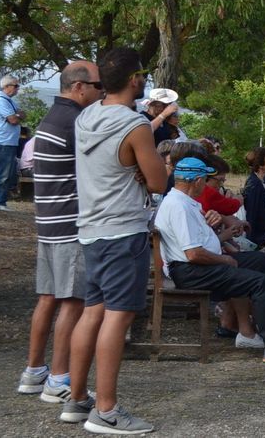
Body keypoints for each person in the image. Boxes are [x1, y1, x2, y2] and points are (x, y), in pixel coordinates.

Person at [64, 48, 167, 433]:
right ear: (135, 79)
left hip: (90, 229)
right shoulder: (135, 125)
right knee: (118, 315)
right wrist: (150, 168)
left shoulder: (86, 116)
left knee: (93, 311)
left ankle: (76, 399)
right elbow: (157, 181)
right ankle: (106, 410)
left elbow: (113, 165)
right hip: (123, 230)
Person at [155, 157, 265, 362]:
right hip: (190, 271)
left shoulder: (183, 201)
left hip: (196, 265)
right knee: (257, 282)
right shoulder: (178, 207)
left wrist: (219, 235)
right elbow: (193, 254)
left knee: (258, 260)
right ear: (198, 180)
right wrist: (224, 260)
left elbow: (198, 245)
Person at [17, 61, 102, 403]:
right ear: (79, 87)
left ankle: (34, 371)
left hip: (49, 221)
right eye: (97, 86)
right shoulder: (75, 122)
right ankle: (58, 379)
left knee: (48, 298)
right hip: (70, 224)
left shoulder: (51, 118)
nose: (101, 92)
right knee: (73, 302)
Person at [0, 74, 24, 210]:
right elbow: (14, 119)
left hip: (9, 141)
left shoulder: (10, 101)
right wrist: (17, 115)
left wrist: (17, 115)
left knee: (5, 172)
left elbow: (21, 114)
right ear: (6, 87)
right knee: (2, 173)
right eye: (15, 86)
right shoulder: (1, 101)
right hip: (4, 141)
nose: (18, 88)